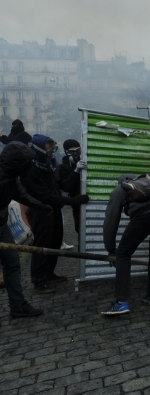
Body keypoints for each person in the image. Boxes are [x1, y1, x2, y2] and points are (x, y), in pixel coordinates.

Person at [20, 134, 89, 293]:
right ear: (38, 148)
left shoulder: (49, 165)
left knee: (55, 241)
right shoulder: (31, 168)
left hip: (53, 209)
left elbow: (59, 187)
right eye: (48, 146)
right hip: (41, 210)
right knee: (42, 245)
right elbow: (44, 195)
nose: (51, 149)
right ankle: (38, 281)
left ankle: (49, 274)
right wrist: (73, 201)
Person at [101, 173, 150, 315]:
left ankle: (121, 303)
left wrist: (110, 248)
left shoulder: (119, 190)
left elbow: (110, 221)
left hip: (145, 215)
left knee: (123, 253)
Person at [0, 142, 53, 316]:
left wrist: (41, 206)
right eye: (26, 163)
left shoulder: (11, 175)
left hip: (1, 225)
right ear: (17, 162)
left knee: (12, 264)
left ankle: (17, 305)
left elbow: (19, 194)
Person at [57, 139, 87, 235]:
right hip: (77, 203)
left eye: (77, 151)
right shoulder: (62, 167)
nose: (75, 154)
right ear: (66, 153)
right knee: (80, 229)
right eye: (71, 151)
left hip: (88, 200)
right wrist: (76, 171)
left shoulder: (85, 163)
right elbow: (66, 187)